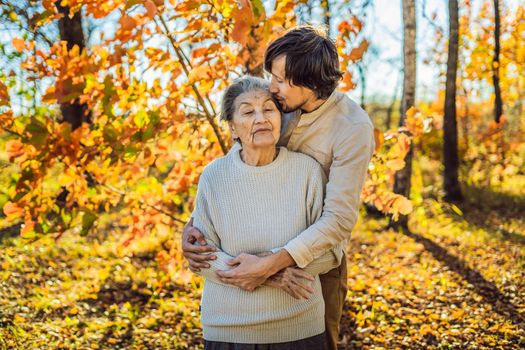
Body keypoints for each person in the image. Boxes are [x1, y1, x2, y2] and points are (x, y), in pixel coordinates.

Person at [183, 25, 375, 349]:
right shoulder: (280, 105)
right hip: (246, 250)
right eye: (272, 75)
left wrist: (272, 266)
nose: (272, 88)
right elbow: (240, 168)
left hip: (314, 258)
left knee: (320, 339)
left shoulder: (352, 128)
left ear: (310, 82)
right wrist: (195, 225)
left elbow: (338, 221)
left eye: (281, 80)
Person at [192, 75, 341, 348]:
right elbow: (204, 257)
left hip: (298, 327)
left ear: (280, 118)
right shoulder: (214, 176)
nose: (261, 118)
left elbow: (331, 252)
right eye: (248, 111)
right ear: (233, 129)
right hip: (228, 329)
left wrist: (265, 266)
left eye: (269, 109)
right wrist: (273, 274)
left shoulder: (306, 171)